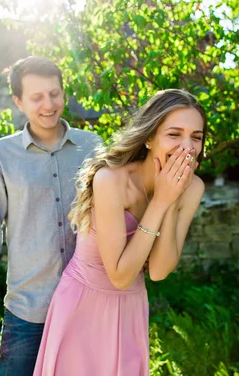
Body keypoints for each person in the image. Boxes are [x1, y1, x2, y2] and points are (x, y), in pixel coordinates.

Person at [33, 89, 207, 376]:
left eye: (196, 137)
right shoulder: (111, 180)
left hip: (131, 309)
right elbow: (120, 275)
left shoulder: (193, 187)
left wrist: (172, 199)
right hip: (82, 308)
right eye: (174, 134)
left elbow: (159, 272)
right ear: (149, 138)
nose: (187, 147)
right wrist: (161, 200)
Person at [0, 56, 103, 376]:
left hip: (88, 309)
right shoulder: (0, 155)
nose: (48, 104)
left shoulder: (93, 147)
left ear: (64, 94)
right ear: (18, 101)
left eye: (54, 94)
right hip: (28, 316)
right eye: (37, 97)